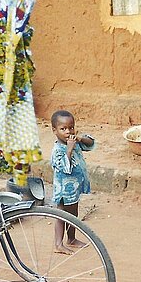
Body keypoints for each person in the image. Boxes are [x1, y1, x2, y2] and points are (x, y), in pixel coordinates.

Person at [49, 109, 95, 254]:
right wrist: (68, 150)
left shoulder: (75, 142)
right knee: (61, 215)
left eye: (71, 127)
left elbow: (91, 143)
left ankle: (71, 239)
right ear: (54, 130)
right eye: (63, 129)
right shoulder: (57, 149)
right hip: (63, 189)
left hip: (74, 188)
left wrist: (80, 139)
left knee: (73, 213)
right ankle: (58, 244)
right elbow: (63, 167)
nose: (68, 132)